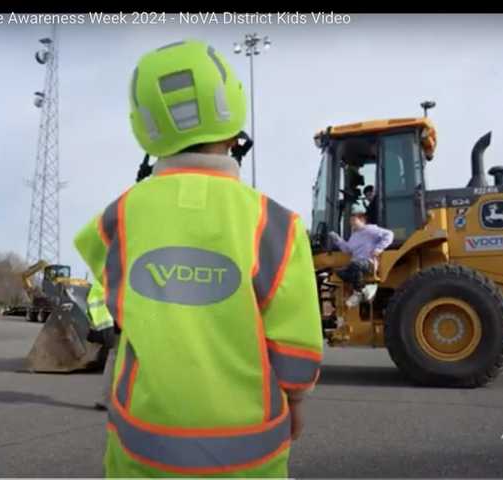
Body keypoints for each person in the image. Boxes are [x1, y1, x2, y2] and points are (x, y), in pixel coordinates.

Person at [74, 39, 323, 478]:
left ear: (145, 128)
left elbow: (113, 301)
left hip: (143, 442)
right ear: (233, 120)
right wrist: (296, 400)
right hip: (251, 451)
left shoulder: (118, 217)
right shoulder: (277, 224)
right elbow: (297, 345)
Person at [328, 204, 394, 308]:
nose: (352, 223)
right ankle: (365, 291)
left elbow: (389, 234)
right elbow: (347, 249)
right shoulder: (354, 236)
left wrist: (379, 248)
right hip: (357, 264)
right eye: (351, 221)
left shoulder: (370, 230)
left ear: (362, 219)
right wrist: (337, 239)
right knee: (338, 272)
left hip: (368, 262)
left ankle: (358, 293)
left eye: (354, 220)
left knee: (355, 264)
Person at [85, 278, 117, 411]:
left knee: (114, 356)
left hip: (105, 322)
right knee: (117, 357)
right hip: (114, 321)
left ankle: (105, 399)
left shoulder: (103, 276)